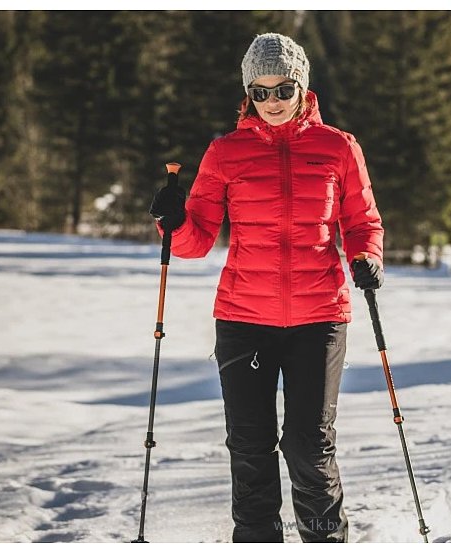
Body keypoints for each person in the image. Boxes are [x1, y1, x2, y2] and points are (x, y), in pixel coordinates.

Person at [149, 32, 384, 543]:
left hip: (319, 315)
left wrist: (367, 257)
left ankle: (325, 540)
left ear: (303, 86)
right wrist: (173, 223)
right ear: (248, 93)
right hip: (243, 317)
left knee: (307, 444)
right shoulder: (225, 153)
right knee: (250, 445)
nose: (272, 101)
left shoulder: (338, 147)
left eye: (283, 89)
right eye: (261, 91)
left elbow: (362, 219)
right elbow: (195, 241)